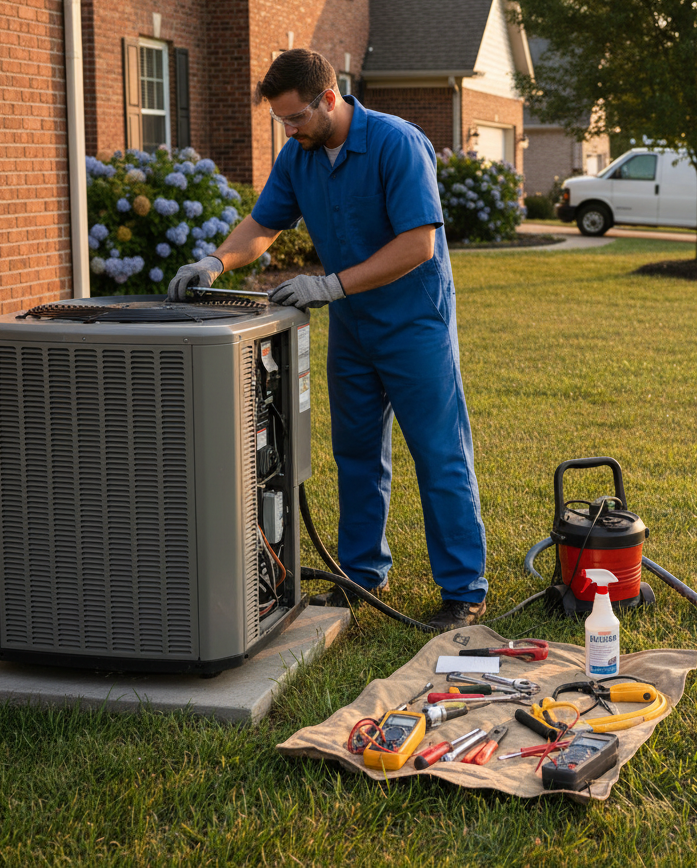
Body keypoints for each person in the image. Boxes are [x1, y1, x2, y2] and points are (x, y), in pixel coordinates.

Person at [167, 49, 488, 631]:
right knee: (357, 457)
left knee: (440, 455)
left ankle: (464, 591)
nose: (289, 131)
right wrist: (215, 262)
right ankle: (362, 578)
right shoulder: (300, 157)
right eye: (281, 122)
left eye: (295, 119)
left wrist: (331, 283)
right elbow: (264, 224)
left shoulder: (396, 144)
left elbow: (418, 243)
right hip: (353, 328)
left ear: (329, 98)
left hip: (416, 324)